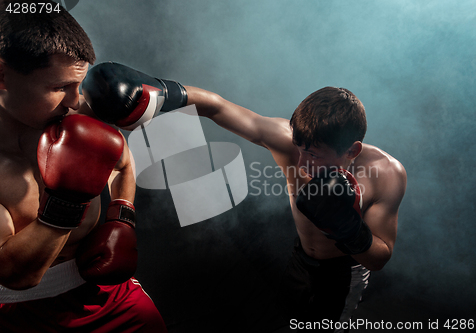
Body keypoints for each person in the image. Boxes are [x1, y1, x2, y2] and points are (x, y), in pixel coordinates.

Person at [82, 66, 406, 331]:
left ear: (353, 151)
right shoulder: (288, 142)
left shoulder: (387, 175)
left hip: (343, 273)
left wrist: (349, 229)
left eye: (317, 156)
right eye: (301, 150)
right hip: (300, 259)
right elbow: (217, 107)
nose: (304, 164)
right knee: (290, 315)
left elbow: (379, 258)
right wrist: (158, 90)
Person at [0, 1, 167, 332]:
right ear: (2, 76)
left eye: (77, 84)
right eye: (59, 87)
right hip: (24, 315)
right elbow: (16, 274)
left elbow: (120, 161)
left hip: (113, 298)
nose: (75, 100)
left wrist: (122, 215)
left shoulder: (71, 117)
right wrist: (65, 205)